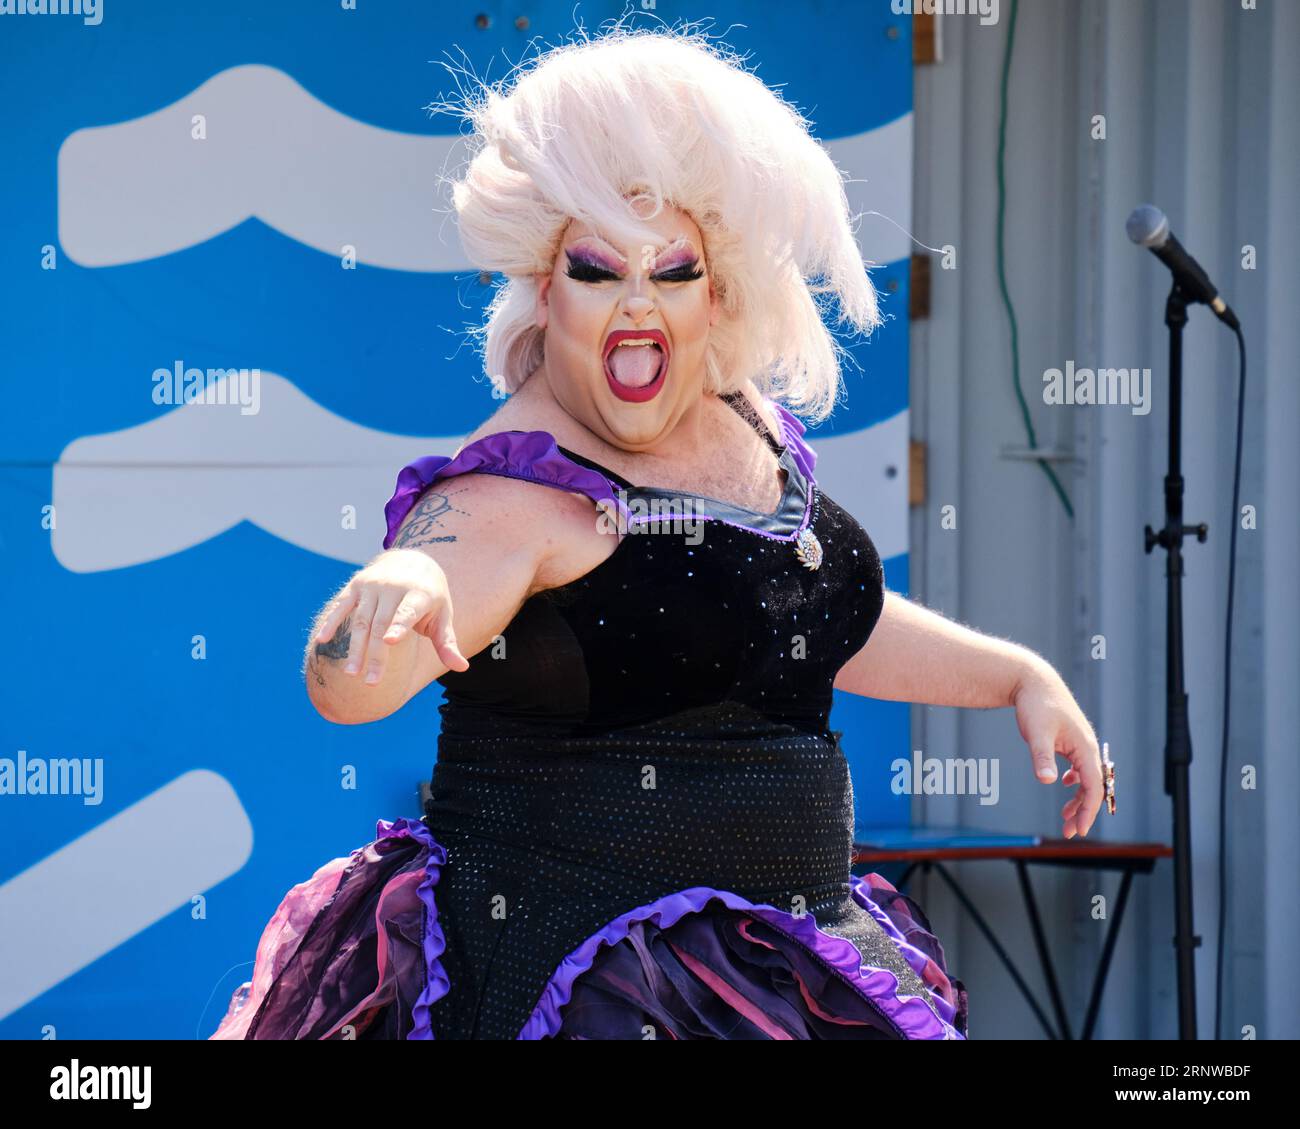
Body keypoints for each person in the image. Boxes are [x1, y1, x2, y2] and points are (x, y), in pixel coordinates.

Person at [210, 26, 1102, 1041]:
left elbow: (813, 622)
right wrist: (403, 581)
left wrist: (1016, 676)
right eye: (598, 271)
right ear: (546, 293)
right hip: (584, 990)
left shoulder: (740, 424)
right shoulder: (511, 494)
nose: (637, 301)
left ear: (714, 292)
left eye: (670, 272)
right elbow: (354, 682)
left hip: (783, 962)